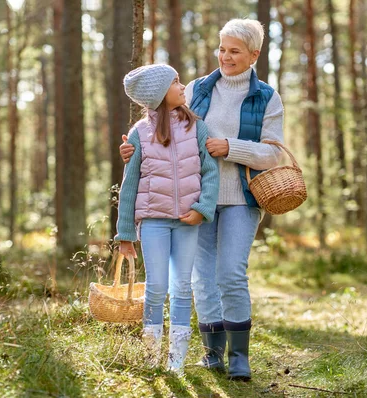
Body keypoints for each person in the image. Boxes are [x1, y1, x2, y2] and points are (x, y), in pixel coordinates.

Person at [120, 19, 284, 381]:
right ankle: (212, 354)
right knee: (201, 280)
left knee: (230, 274)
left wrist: (232, 148)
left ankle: (239, 356)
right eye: (222, 49)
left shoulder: (266, 97)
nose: (225, 56)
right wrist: (134, 148)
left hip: (241, 196)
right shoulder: (198, 88)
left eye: (235, 51)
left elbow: (274, 155)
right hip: (195, 201)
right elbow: (164, 128)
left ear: (254, 55)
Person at [115, 64, 219, 376]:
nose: (181, 85)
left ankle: (176, 361)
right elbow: (129, 184)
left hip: (188, 221)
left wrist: (203, 208)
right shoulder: (139, 134)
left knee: (182, 287)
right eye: (175, 82)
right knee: (157, 286)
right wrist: (124, 234)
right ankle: (151, 355)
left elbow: (210, 173)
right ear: (160, 94)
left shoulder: (197, 127)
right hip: (153, 223)